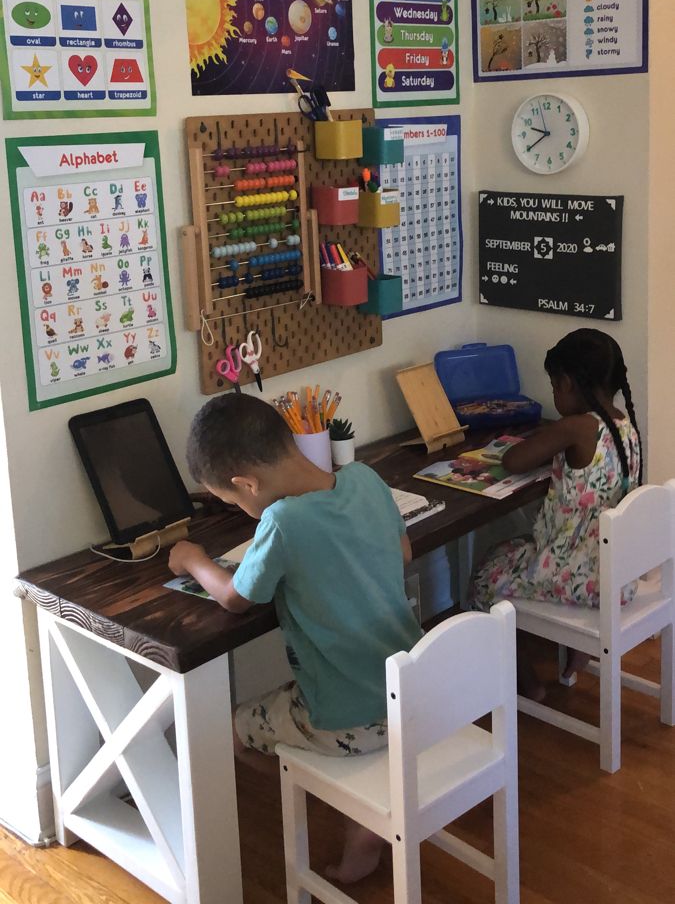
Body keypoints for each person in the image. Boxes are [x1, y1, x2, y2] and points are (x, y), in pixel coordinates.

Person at [168, 394, 423, 884]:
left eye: (233, 500)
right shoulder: (364, 478)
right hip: (409, 695)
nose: (242, 508)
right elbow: (404, 552)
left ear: (247, 483)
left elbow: (234, 597)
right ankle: (361, 813)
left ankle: (350, 805)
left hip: (344, 717)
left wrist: (192, 559)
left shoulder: (281, 523)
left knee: (230, 731)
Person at [470, 329, 642, 691]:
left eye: (553, 385)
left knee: (485, 576)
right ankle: (575, 659)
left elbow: (514, 460)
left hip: (579, 574)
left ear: (566, 383)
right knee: (512, 549)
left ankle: (526, 681)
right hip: (617, 572)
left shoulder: (577, 427)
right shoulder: (623, 424)